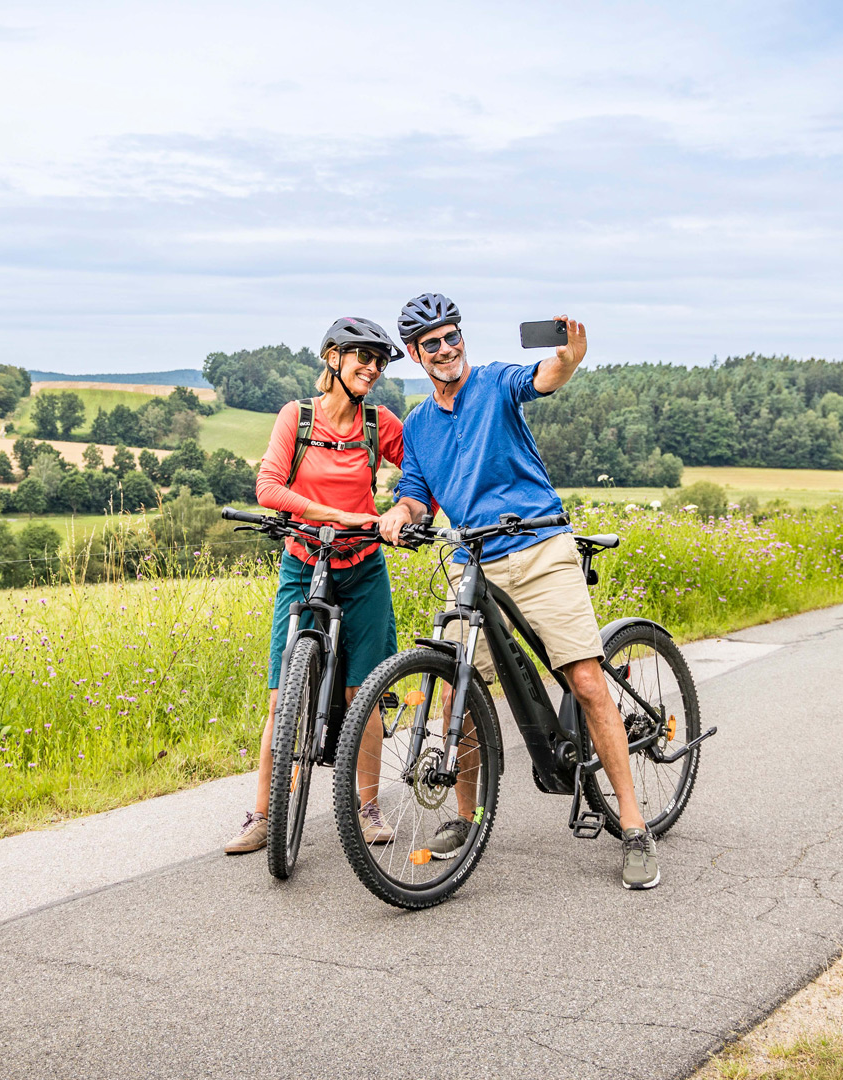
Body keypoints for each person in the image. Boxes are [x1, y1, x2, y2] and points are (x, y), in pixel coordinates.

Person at [376, 293, 661, 890]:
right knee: (459, 683)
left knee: (584, 678)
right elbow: (416, 490)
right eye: (433, 343)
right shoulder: (421, 426)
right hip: (470, 556)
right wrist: (400, 513)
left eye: (453, 336)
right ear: (414, 354)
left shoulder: (496, 382)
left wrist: (570, 358)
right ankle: (465, 815)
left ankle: (634, 827)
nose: (448, 348)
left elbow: (543, 376)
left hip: (537, 546)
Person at [224, 316, 408, 855]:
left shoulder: (379, 424)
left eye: (379, 362)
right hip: (304, 563)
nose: (372, 370)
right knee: (284, 700)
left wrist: (403, 509)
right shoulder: (297, 417)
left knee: (364, 693)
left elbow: (423, 470)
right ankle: (261, 815)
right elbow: (267, 486)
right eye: (362, 358)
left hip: (364, 567)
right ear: (333, 357)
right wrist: (330, 514)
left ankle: (366, 807)